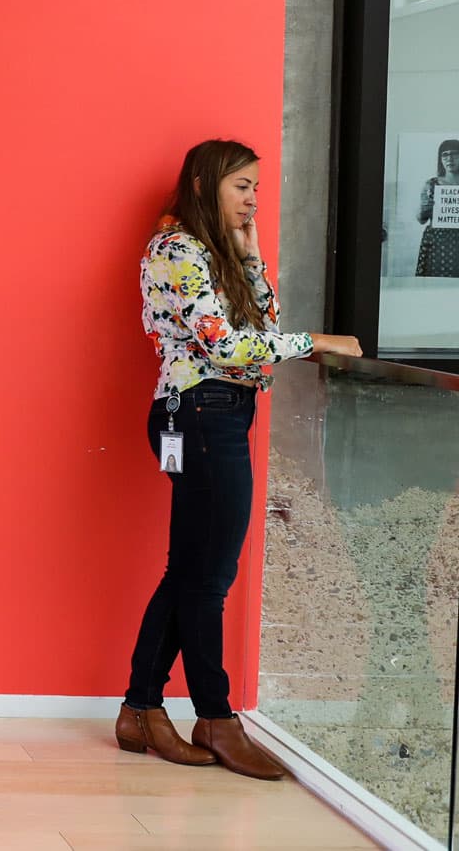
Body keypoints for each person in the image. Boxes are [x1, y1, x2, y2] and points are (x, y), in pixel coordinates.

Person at [117, 139, 362, 779]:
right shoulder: (175, 251)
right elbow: (228, 347)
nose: (253, 199)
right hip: (198, 413)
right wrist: (315, 342)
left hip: (216, 415)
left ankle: (141, 710)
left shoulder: (216, 255)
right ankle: (216, 718)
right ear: (202, 185)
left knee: (191, 572)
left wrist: (252, 261)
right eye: (240, 186)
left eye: (256, 187)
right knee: (208, 578)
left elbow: (261, 322)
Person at [414, 139, 459, 277]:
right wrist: (425, 207)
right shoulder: (431, 184)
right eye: (445, 155)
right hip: (437, 244)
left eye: (455, 154)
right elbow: (421, 219)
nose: (449, 158)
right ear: (440, 159)